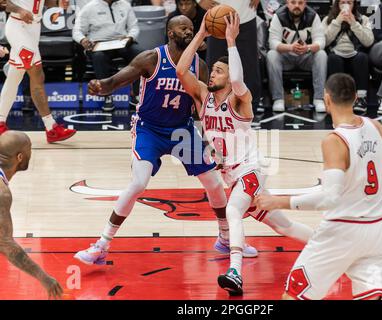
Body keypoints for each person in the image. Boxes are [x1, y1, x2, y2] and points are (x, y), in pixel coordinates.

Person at [74, 16, 258, 265]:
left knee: (214, 184)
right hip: (149, 129)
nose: (188, 31)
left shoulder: (199, 65)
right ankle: (102, 244)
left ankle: (226, 238)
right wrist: (101, 85)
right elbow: (118, 80)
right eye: (183, 28)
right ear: (170, 32)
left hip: (181, 129)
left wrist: (210, 144)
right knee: (139, 183)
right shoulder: (151, 58)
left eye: (191, 29)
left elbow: (202, 109)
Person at [176, 12, 314, 296]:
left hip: (249, 169)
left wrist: (230, 42)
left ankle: (235, 272)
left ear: (229, 79)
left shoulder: (240, 100)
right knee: (283, 226)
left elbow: (238, 79)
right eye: (211, 69)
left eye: (218, 71)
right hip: (230, 174)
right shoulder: (202, 96)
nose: (212, 73)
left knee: (232, 210)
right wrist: (202, 33)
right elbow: (180, 71)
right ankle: (329, 242)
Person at [255, 73, 382, 300]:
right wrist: (359, 171)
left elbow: (329, 198)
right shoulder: (377, 127)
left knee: (294, 295)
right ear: (356, 97)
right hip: (375, 231)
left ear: (327, 99)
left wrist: (278, 201)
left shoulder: (335, 140)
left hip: (342, 230)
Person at [0, 0, 76, 143]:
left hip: (34, 28)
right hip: (18, 27)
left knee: (14, 76)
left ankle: (0, 122)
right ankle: (51, 127)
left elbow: (44, 3)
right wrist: (20, 10)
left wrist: (58, 4)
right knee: (37, 73)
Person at [0, 131, 63, 299]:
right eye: (30, 149)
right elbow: (5, 244)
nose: (31, 153)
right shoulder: (1, 193)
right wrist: (44, 277)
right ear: (20, 157)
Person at [72, 0, 141, 112]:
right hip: (99, 43)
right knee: (99, 56)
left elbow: (134, 27)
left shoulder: (125, 5)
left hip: (122, 42)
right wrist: (83, 39)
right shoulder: (89, 7)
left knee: (140, 54)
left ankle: (136, 94)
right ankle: (107, 96)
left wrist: (130, 37)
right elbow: (77, 30)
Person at [266, 0, 327, 112]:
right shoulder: (278, 16)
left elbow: (321, 41)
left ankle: (319, 99)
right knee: (271, 55)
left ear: (305, 3)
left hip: (306, 57)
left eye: (300, 3)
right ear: (287, 3)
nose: (297, 6)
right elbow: (273, 43)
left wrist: (307, 48)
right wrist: (290, 47)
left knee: (321, 54)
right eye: (293, 2)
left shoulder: (313, 16)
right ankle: (278, 99)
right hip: (286, 57)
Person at [205, 0, 262, 114]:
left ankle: (250, 109)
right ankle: (212, 107)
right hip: (216, 15)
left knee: (249, 66)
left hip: (246, 14)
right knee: (215, 64)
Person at [322, 0, 374, 113]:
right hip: (336, 53)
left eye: (349, 2)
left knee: (362, 58)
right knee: (333, 59)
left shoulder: (364, 19)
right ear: (337, 4)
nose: (346, 5)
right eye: (343, 2)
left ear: (354, 5)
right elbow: (323, 42)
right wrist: (337, 21)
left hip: (355, 53)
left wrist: (354, 23)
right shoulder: (328, 19)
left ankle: (361, 98)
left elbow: (369, 41)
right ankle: (337, 99)